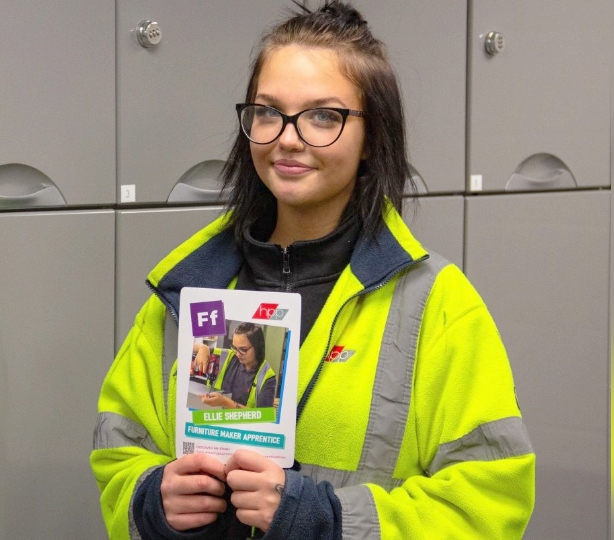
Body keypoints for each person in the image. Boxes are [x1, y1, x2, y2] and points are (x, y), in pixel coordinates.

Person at [91, 2, 535, 538]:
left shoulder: (437, 305)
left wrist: (328, 520)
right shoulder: (186, 293)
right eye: (268, 111)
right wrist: (151, 499)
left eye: (324, 115)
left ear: (372, 137)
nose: (288, 138)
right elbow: (120, 448)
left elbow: (489, 499)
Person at [201, 322, 277, 409]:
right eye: (235, 348)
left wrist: (226, 402)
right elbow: (196, 347)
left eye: (243, 349)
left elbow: (264, 417)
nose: (237, 354)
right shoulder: (230, 356)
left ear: (257, 347)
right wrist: (204, 349)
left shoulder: (267, 377)